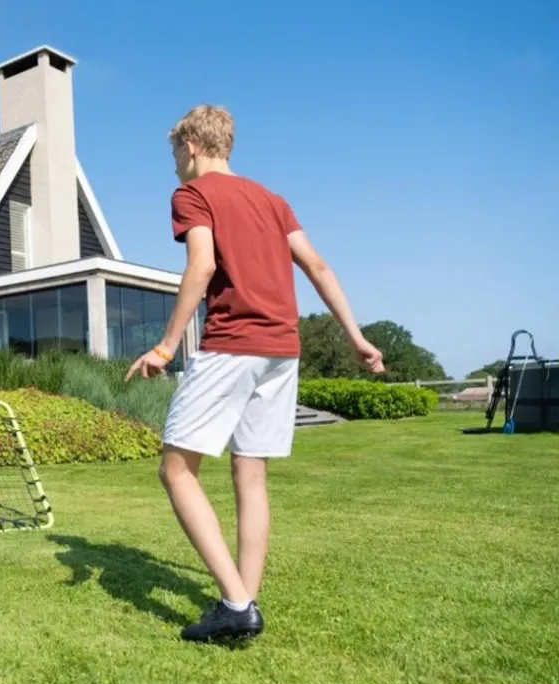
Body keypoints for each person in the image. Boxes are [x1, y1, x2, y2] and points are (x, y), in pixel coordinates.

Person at [126, 104, 384, 644]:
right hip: (282, 350)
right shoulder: (273, 200)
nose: (174, 166)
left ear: (190, 147)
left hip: (233, 344)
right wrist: (356, 337)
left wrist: (165, 347)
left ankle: (238, 604)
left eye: (174, 154)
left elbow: (202, 264)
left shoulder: (192, 194)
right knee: (250, 474)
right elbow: (317, 265)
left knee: (176, 469)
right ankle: (242, 600)